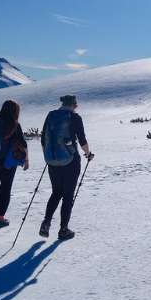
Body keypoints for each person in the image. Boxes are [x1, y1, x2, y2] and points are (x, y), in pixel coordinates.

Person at [39, 95, 93, 241]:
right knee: (68, 195)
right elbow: (81, 139)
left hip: (52, 161)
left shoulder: (51, 115)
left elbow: (44, 138)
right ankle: (63, 229)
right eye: (76, 105)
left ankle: (46, 222)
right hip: (70, 161)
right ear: (73, 105)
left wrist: (49, 155)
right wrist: (88, 153)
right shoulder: (75, 118)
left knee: (56, 192)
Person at [0, 100, 29, 228]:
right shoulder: (14, 124)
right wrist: (26, 160)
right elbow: (23, 143)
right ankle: (0, 217)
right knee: (6, 187)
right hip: (9, 160)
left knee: (3, 184)